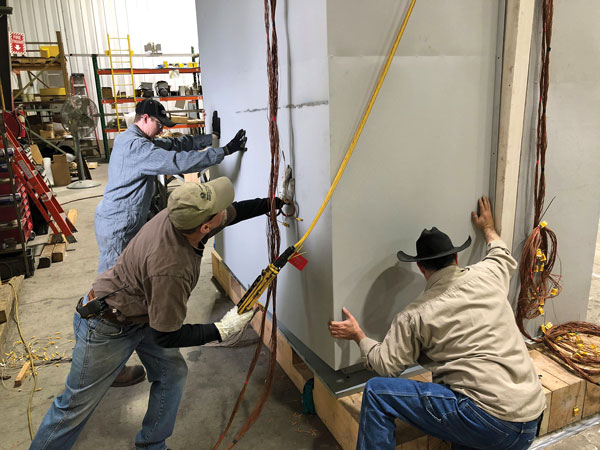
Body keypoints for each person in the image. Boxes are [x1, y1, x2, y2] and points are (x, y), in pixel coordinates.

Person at [32, 177, 278, 450]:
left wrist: (273, 204)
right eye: (220, 208)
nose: (226, 208)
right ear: (206, 226)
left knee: (172, 373)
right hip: (106, 326)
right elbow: (166, 335)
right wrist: (221, 330)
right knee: (73, 407)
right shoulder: (172, 267)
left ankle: (152, 446)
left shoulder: (181, 217)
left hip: (140, 314)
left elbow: (234, 213)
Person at [328, 196, 546, 450]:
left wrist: (358, 335)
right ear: (455, 259)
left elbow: (386, 366)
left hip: (487, 422)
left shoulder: (415, 314)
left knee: (377, 392)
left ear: (421, 268)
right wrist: (488, 229)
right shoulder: (487, 275)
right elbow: (501, 253)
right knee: (464, 413)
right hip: (531, 417)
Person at [95, 99, 247, 386]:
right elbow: (175, 162)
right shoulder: (135, 146)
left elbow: (176, 145)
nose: (162, 131)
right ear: (143, 118)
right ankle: (110, 368)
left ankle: (136, 343)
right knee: (113, 298)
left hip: (127, 221)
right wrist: (222, 152)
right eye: (159, 125)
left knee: (130, 291)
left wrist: (208, 139)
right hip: (117, 226)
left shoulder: (141, 138)